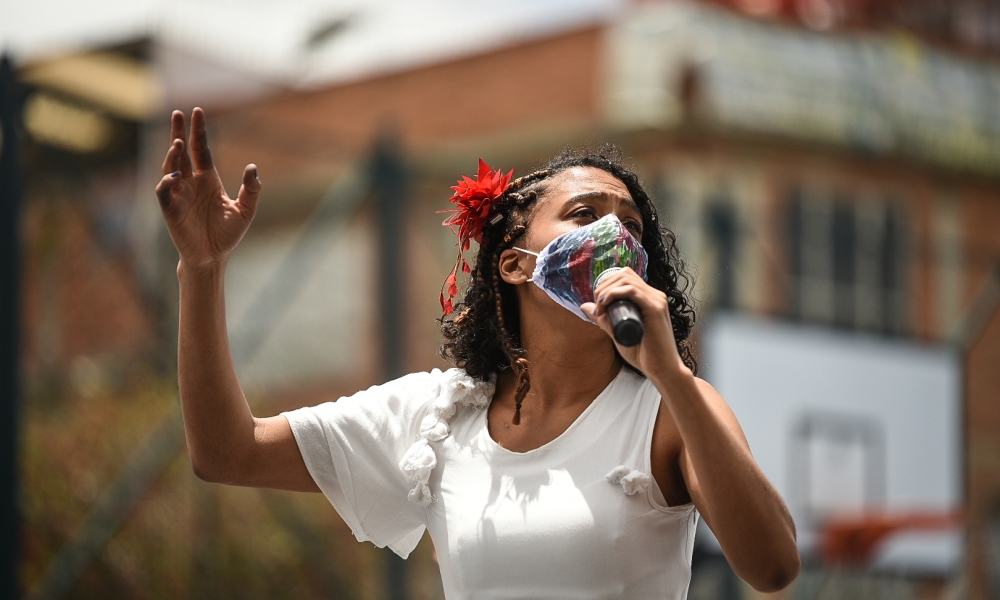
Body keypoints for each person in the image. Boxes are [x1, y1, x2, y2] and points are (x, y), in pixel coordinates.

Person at [155, 107, 800, 599]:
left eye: (631, 224)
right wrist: (202, 269)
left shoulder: (668, 410)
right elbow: (225, 451)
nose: (614, 234)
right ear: (517, 265)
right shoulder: (437, 418)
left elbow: (772, 565)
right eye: (585, 213)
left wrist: (672, 374)